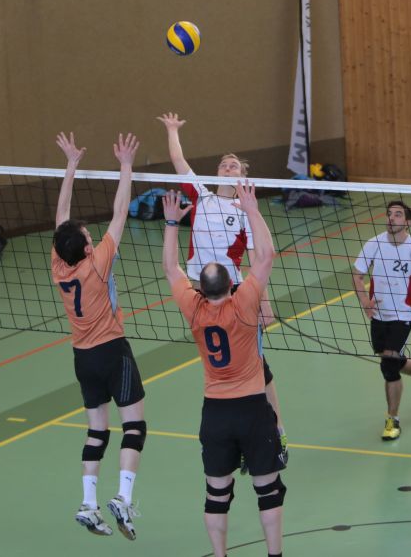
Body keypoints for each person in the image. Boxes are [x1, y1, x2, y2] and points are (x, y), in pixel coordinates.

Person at [157, 111, 288, 466]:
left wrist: (263, 302)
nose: (228, 167)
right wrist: (172, 130)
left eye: (234, 166)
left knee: (258, 367)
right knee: (221, 366)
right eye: (224, 164)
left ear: (243, 176)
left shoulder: (246, 210)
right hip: (200, 294)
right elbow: (178, 160)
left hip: (235, 296)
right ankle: (239, 434)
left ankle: (276, 430)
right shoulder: (202, 196)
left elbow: (259, 260)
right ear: (216, 173)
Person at [162, 183, 286, 557]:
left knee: (217, 494)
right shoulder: (244, 303)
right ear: (232, 285)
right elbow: (266, 256)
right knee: (269, 490)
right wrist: (251, 209)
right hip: (252, 409)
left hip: (215, 412)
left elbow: (171, 269)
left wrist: (172, 223)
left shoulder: (193, 308)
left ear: (200, 289)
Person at [53, 132, 146, 541]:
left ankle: (88, 504)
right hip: (112, 351)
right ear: (88, 249)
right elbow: (121, 212)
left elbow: (62, 218)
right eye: (90, 238)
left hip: (82, 358)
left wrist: (71, 165)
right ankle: (123, 498)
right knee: (134, 427)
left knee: (97, 431)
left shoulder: (60, 266)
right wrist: (126, 165)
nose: (93, 238)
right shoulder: (97, 263)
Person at [351, 200, 411, 442]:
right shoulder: (374, 243)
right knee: (391, 358)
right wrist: (365, 301)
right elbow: (357, 275)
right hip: (378, 313)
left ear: (408, 222)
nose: (391, 218)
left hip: (404, 313)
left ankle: (393, 420)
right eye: (389, 214)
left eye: (398, 214)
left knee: (389, 365)